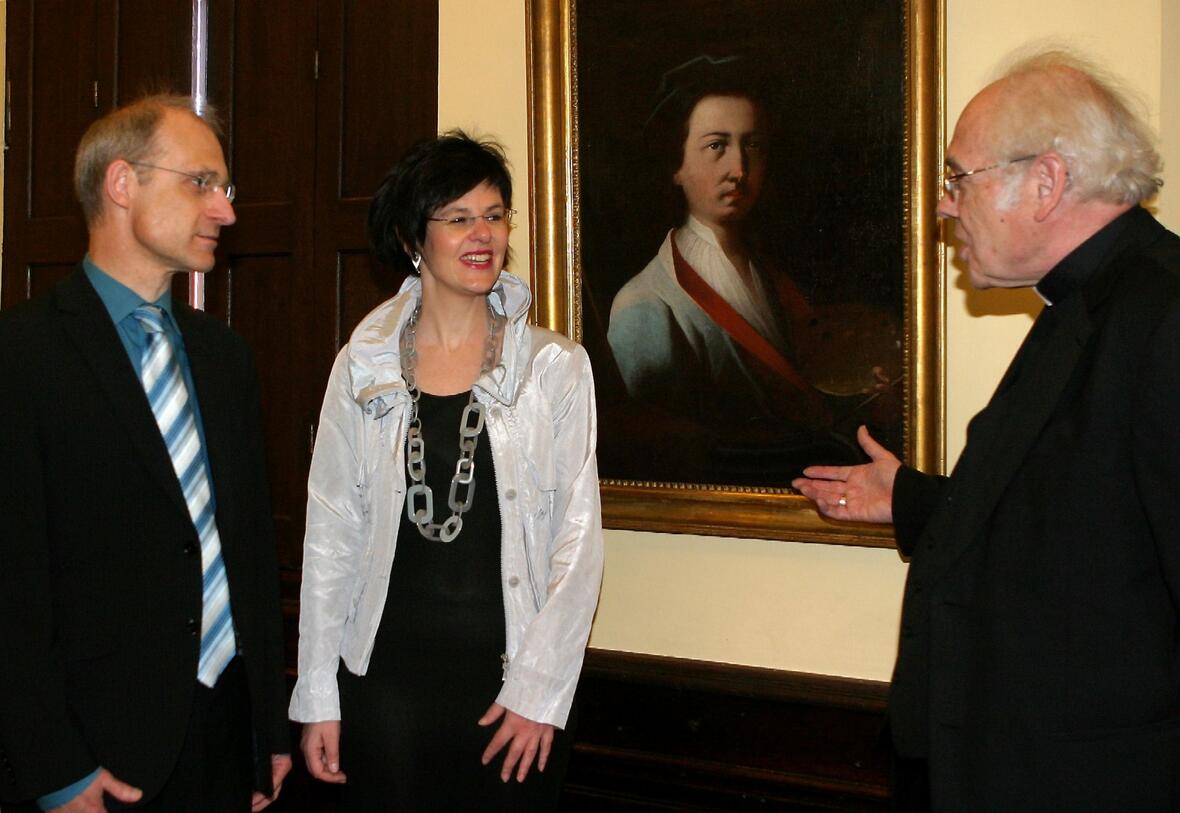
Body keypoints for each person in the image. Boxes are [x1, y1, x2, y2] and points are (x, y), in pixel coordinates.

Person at [793, 48, 1180, 811]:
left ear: (1046, 181)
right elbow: (1079, 526)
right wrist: (911, 499)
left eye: (957, 179)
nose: (944, 206)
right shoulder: (1085, 305)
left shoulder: (1163, 316)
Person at [289, 132, 604, 810]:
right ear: (413, 238)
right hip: (386, 686)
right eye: (458, 217)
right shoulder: (362, 365)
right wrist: (316, 692)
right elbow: (331, 534)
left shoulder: (555, 368)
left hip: (511, 689)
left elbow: (578, 542)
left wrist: (540, 691)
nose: (482, 233)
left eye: (494, 215)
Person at [0, 95, 291, 812]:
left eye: (225, 187)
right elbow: (11, 584)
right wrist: (55, 767)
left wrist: (266, 731)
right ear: (122, 183)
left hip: (225, 738)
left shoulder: (225, 357)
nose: (225, 211)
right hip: (93, 754)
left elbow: (249, 551)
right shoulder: (21, 355)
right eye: (201, 183)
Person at [607, 55, 897, 484]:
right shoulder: (646, 304)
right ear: (677, 165)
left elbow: (806, 392)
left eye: (752, 146)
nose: (738, 170)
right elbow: (671, 453)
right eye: (716, 146)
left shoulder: (772, 278)